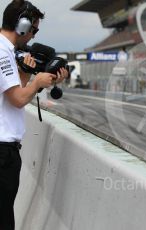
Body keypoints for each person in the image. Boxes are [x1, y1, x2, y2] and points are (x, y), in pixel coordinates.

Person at [0, 1, 67, 229]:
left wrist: (27, 75)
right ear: (22, 26)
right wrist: (38, 81)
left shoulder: (5, 51)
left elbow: (14, 93)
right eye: (34, 30)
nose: (33, 36)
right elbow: (18, 100)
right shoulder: (2, 51)